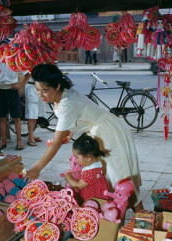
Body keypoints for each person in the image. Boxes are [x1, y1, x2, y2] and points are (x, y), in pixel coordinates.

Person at [25, 64, 142, 209]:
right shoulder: (65, 94)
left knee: (120, 180)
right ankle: (118, 222)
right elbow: (81, 113)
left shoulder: (67, 104)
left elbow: (55, 143)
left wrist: (37, 168)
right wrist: (71, 131)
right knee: (111, 180)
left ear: (57, 86)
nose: (40, 95)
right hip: (104, 129)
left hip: (109, 133)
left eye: (45, 90)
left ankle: (141, 219)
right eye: (37, 90)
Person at [0, 39, 31, 150]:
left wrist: (21, 84)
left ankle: (19, 140)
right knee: (1, 118)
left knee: (16, 118)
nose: (4, 50)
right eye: (2, 48)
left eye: (6, 47)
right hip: (1, 91)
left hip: (13, 91)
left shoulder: (15, 60)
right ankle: (4, 140)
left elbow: (28, 72)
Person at [64, 133, 109, 202]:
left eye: (77, 158)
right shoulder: (98, 164)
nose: (76, 160)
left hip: (93, 203)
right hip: (97, 197)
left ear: (88, 158)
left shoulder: (90, 173)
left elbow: (77, 186)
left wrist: (68, 177)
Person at [25, 78, 45, 146]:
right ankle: (30, 136)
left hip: (41, 86)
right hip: (32, 87)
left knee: (36, 114)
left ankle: (32, 134)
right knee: (32, 113)